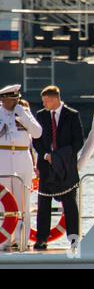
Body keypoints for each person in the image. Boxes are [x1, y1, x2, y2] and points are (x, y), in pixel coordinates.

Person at [32, 86, 84, 250]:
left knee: (70, 205)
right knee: (43, 204)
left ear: (55, 99)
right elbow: (36, 140)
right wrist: (46, 155)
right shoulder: (41, 116)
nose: (44, 104)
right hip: (46, 166)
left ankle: (74, 239)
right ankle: (41, 239)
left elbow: (78, 141)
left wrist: (61, 156)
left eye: (46, 101)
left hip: (66, 167)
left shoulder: (72, 115)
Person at [0, 85, 42, 250]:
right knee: (4, 202)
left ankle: (21, 239)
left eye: (16, 98)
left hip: (22, 160)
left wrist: (23, 115)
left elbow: (38, 132)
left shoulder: (24, 112)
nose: (15, 102)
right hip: (3, 159)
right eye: (12, 99)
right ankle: (4, 239)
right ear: (3, 99)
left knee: (22, 200)